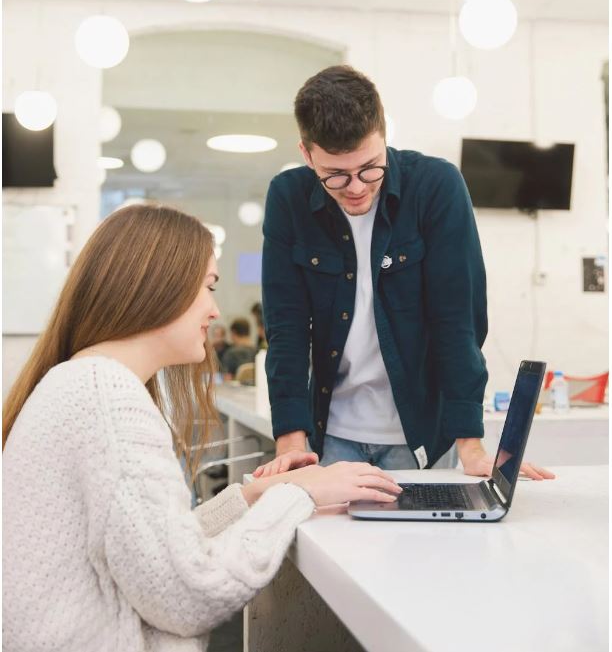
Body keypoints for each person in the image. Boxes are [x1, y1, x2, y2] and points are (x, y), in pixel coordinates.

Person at [2, 204, 402, 652]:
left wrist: (253, 496)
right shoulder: (108, 398)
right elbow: (189, 594)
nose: (214, 310)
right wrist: (301, 495)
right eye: (208, 287)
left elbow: (155, 549)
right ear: (158, 286)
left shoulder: (82, 381)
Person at [255, 65, 554, 482]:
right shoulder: (287, 198)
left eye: (370, 167)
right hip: (332, 433)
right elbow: (286, 327)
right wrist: (291, 443)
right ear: (307, 155)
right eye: (335, 176)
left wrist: (471, 444)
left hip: (417, 435)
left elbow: (458, 320)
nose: (356, 187)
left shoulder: (435, 187)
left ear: (383, 135)